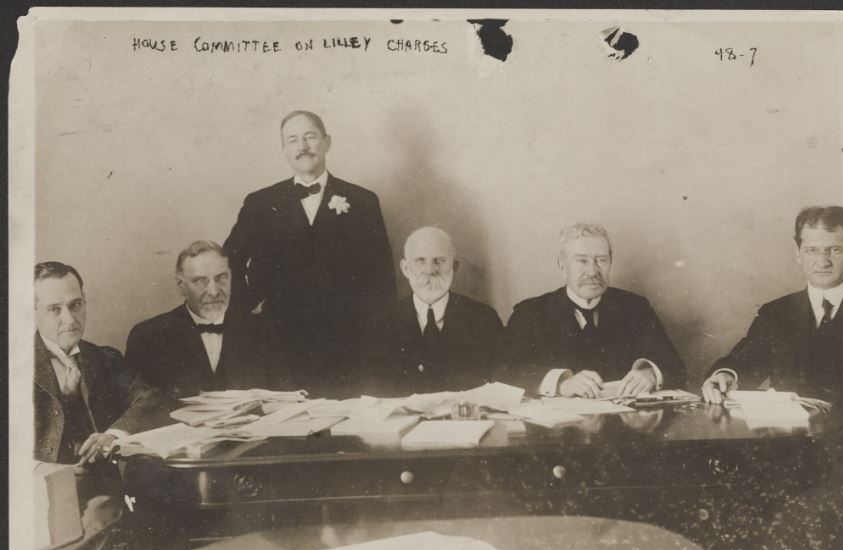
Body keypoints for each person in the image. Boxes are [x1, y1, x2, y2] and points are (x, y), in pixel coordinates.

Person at [224, 110, 396, 397]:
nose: (302, 147)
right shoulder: (260, 203)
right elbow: (228, 263)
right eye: (292, 140)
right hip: (279, 340)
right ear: (284, 149)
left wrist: (375, 336)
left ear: (327, 142)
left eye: (310, 137)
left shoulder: (363, 201)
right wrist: (249, 309)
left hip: (347, 342)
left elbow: (382, 277)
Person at [701, 206, 843, 427]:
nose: (822, 261)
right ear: (798, 255)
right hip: (790, 439)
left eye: (834, 250)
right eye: (812, 250)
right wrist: (726, 375)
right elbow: (744, 360)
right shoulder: (776, 313)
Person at [497, 223, 686, 397]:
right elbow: (504, 372)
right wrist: (561, 383)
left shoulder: (635, 308)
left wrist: (650, 374)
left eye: (601, 260)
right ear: (563, 266)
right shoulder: (531, 313)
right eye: (582, 261)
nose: (593, 271)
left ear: (610, 263)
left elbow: (675, 367)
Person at [33, 262, 168, 468]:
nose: (70, 319)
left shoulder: (105, 358)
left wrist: (113, 436)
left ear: (85, 302)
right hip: (40, 482)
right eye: (55, 309)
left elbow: (152, 400)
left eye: (76, 305)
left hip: (103, 479)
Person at [125, 241, 290, 407]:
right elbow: (141, 411)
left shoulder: (262, 331)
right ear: (181, 286)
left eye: (221, 278)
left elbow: (285, 401)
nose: (214, 291)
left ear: (231, 278)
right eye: (201, 281)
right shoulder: (148, 337)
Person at [360, 227, 503, 396]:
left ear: (454, 267)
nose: (430, 270)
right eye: (420, 260)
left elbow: (496, 390)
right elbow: (374, 393)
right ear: (405, 268)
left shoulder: (484, 319)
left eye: (439, 261)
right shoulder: (381, 323)